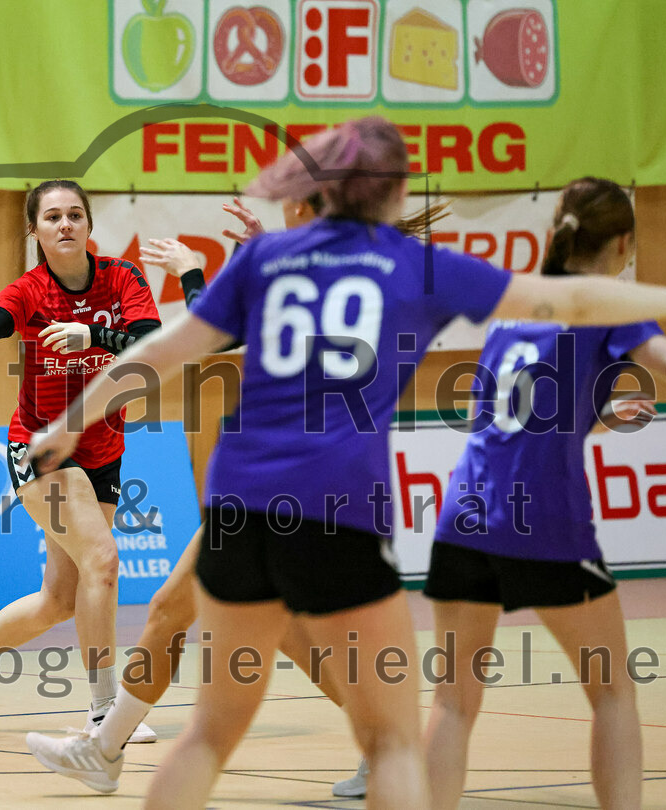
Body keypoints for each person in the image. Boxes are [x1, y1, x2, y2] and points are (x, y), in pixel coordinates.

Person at [24, 118, 666, 810]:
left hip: (240, 497)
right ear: (395, 192)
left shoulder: (267, 258)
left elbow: (164, 351)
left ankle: (104, 750)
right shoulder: (418, 267)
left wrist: (71, 420)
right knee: (395, 741)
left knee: (208, 735)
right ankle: (108, 748)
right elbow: (575, 299)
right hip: (335, 502)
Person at [24, 191, 449, 796]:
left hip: (281, 486)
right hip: (280, 488)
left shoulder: (327, 290)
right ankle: (105, 748)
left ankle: (391, 750)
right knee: (229, 623)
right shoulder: (355, 284)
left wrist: (196, 272)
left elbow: (204, 338)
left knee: (213, 629)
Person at [423, 177, 666, 810]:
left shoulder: (518, 305)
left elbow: (506, 416)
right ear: (623, 244)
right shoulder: (605, 303)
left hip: (464, 515)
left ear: (555, 232)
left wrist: (594, 417)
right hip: (544, 520)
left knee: (453, 702)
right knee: (613, 692)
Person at [0, 179, 160, 743]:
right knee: (103, 560)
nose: (65, 224)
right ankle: (105, 711)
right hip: (42, 447)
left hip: (103, 451)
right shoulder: (29, 290)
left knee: (60, 599)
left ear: (89, 225)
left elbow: (149, 339)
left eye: (75, 214)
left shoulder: (123, 277)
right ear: (35, 231)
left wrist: (92, 334)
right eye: (52, 217)